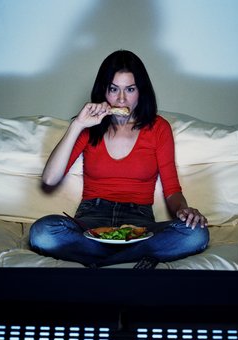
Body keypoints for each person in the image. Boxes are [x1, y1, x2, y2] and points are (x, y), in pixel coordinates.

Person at [29, 50, 209, 268]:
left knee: (196, 234)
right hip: (91, 221)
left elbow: (172, 189)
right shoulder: (89, 127)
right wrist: (78, 125)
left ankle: (99, 259)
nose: (121, 99)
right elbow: (49, 179)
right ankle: (129, 259)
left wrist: (184, 210)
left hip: (139, 226)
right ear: (104, 91)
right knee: (42, 232)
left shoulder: (158, 128)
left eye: (130, 89)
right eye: (114, 89)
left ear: (140, 91)